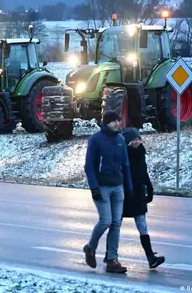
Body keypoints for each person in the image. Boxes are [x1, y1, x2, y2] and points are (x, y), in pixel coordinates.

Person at [83, 110, 132, 273]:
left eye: (118, 120)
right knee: (106, 220)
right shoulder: (96, 139)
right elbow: (89, 166)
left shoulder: (120, 139)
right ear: (106, 123)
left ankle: (112, 259)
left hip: (118, 187)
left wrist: (129, 187)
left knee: (116, 223)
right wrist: (94, 187)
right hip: (102, 187)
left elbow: (125, 165)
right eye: (113, 121)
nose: (117, 123)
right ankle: (90, 248)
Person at [121, 127, 166, 269]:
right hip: (123, 194)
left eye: (138, 139)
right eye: (133, 140)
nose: (136, 142)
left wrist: (149, 188)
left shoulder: (141, 153)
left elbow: (143, 172)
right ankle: (109, 255)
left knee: (143, 227)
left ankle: (151, 257)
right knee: (115, 226)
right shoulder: (122, 155)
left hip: (138, 194)